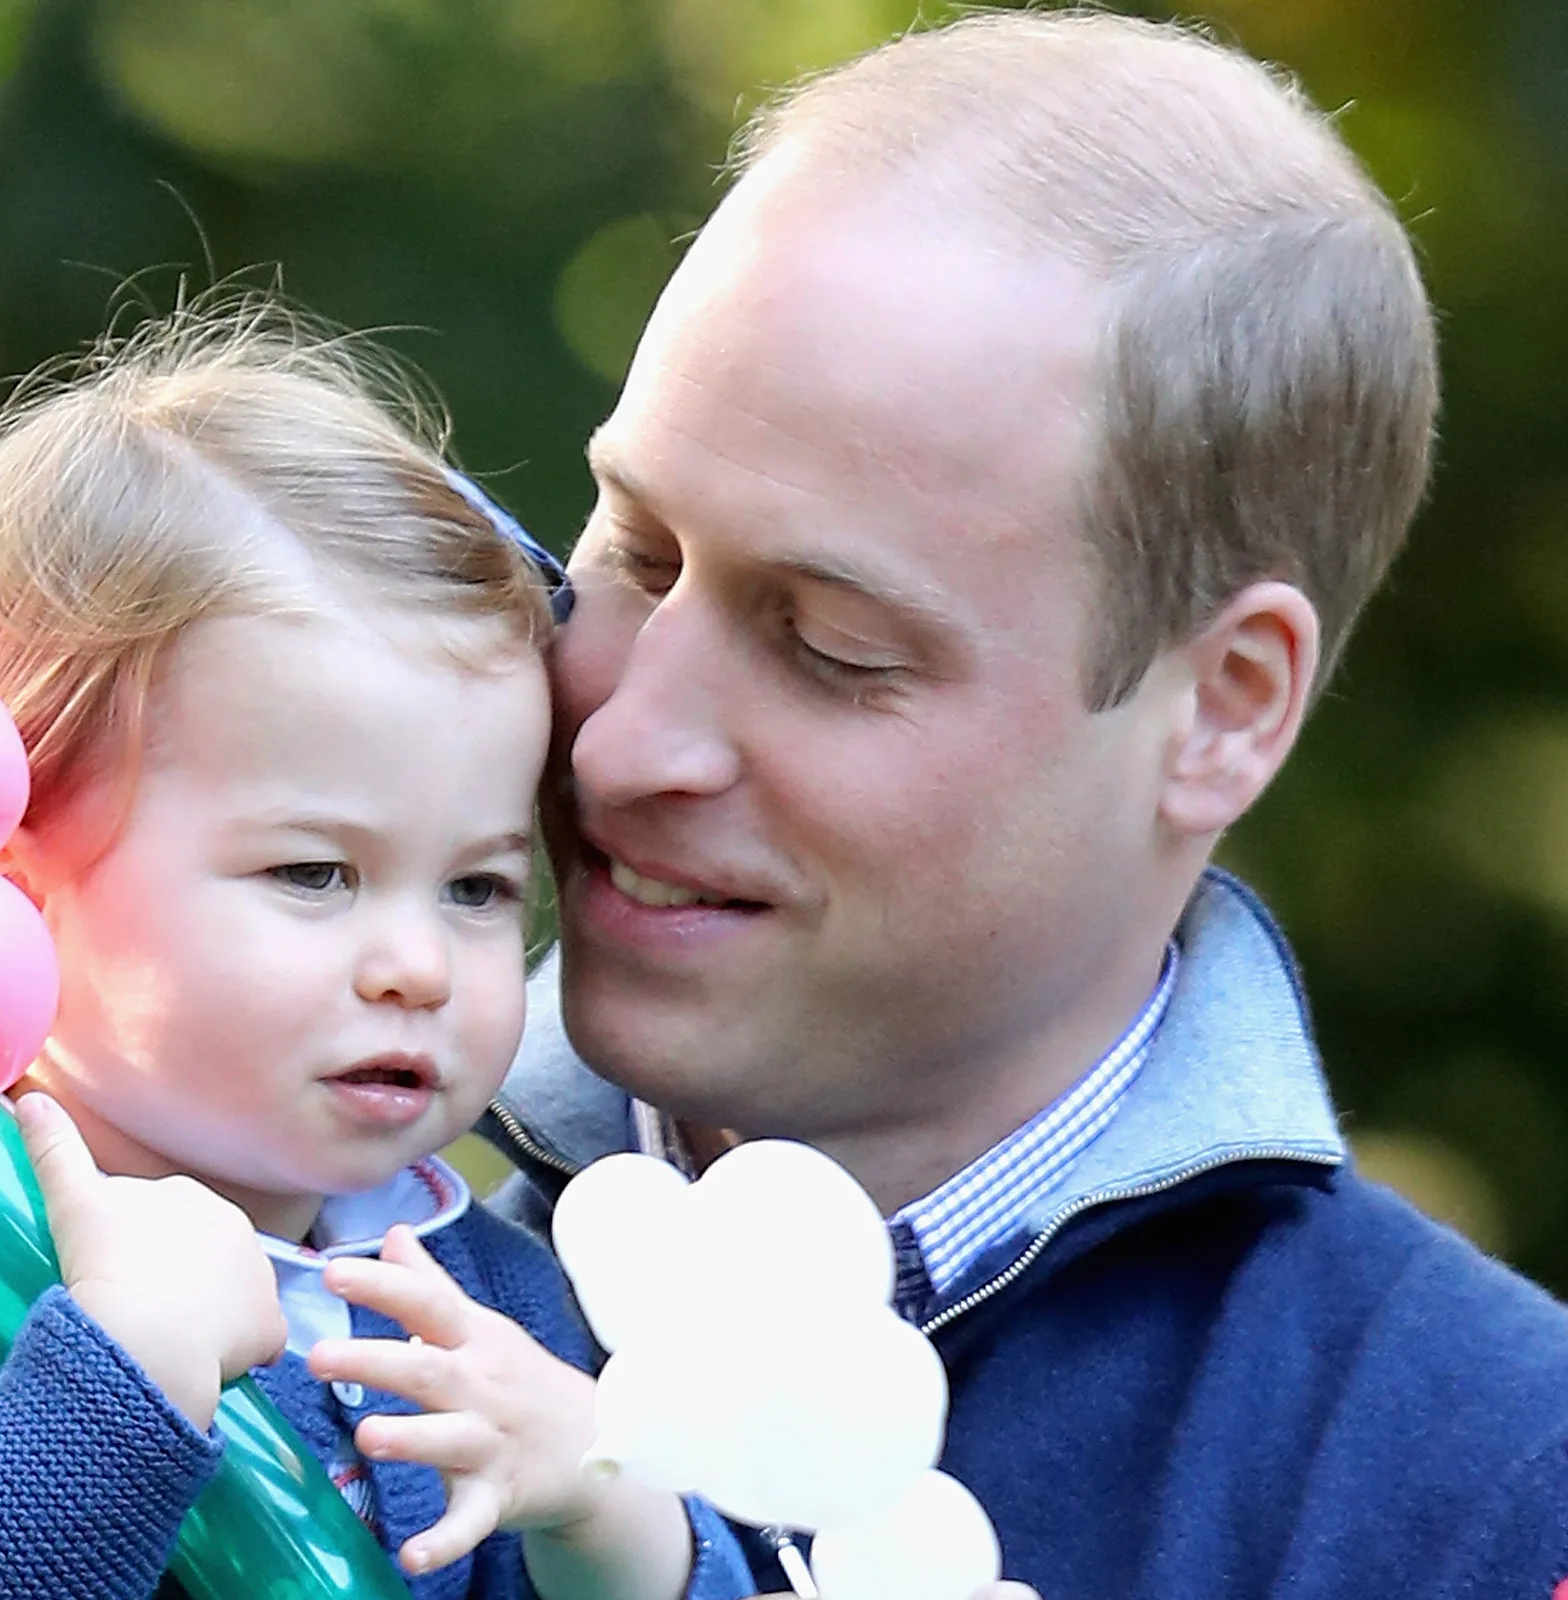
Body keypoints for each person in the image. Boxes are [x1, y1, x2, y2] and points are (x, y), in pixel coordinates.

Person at [480, 11, 1568, 1600]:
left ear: (1225, 708)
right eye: (636, 554)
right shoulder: (237, 1244)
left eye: (831, 646)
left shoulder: (1483, 1497)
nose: (620, 743)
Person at [0, 305, 755, 1600]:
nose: (416, 964)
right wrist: (115, 1387)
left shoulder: (493, 1302)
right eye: (312, 873)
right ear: (18, 880)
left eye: (475, 887)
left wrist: (609, 1511)